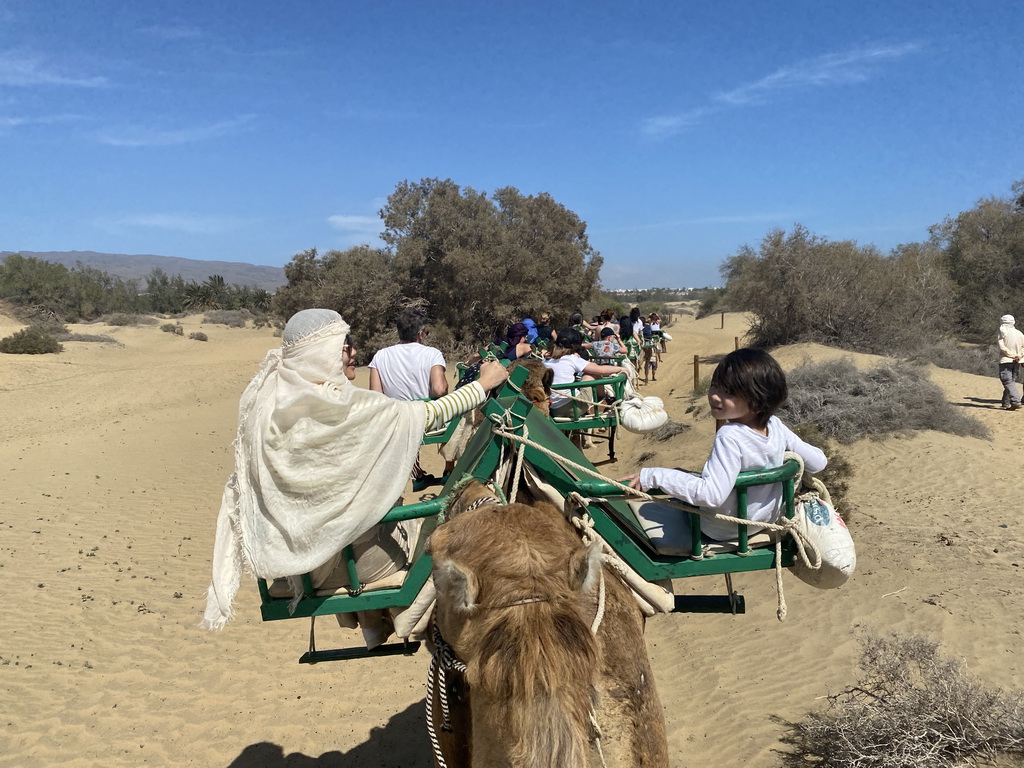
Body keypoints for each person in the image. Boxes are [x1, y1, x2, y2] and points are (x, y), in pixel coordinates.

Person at [201, 308, 508, 638]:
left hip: (300, 559)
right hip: (351, 561)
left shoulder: (275, 402)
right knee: (442, 535)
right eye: (346, 345)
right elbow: (429, 413)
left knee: (389, 512)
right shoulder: (337, 406)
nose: (354, 352)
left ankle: (373, 627)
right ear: (324, 352)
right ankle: (411, 621)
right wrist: (483, 384)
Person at [620, 348, 827, 542]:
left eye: (728, 392)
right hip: (764, 521)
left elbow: (710, 495)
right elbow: (818, 462)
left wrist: (653, 476)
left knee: (674, 487)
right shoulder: (775, 426)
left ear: (758, 400)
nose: (714, 396)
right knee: (683, 475)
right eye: (714, 385)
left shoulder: (730, 436)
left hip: (723, 529)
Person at [369, 308, 449, 489]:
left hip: (397, 421)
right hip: (428, 421)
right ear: (420, 334)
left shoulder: (380, 356)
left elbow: (376, 395)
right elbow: (439, 389)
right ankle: (449, 469)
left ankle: (416, 472)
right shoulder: (432, 354)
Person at [543, 328, 624, 417]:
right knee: (591, 373)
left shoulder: (545, 360)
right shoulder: (571, 358)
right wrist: (621, 369)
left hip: (552, 408)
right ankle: (602, 399)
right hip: (574, 408)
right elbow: (601, 370)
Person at [998, 314, 1024, 410]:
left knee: (1007, 381)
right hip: (1016, 361)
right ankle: (1006, 403)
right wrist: (1019, 356)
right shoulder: (1020, 333)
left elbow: (1002, 348)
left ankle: (1016, 401)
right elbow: (1023, 347)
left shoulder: (1002, 332)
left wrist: (1012, 355)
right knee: (1010, 382)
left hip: (1006, 360)